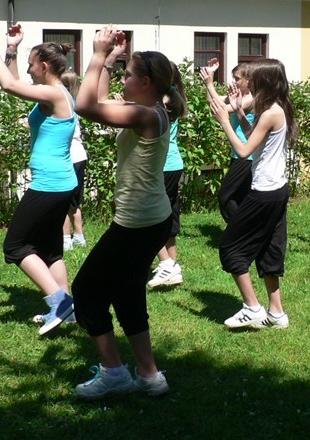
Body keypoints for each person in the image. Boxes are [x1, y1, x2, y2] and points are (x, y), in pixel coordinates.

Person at [72, 26, 186, 399]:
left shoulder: (145, 115)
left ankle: (114, 373)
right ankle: (149, 376)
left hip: (137, 223)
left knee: (86, 292)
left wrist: (96, 54)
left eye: (129, 74)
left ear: (146, 82)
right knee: (127, 293)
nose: (124, 79)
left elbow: (84, 106)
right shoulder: (151, 110)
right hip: (150, 219)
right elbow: (100, 98)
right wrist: (110, 60)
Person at [0, 25, 77, 336]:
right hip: (60, 182)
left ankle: (59, 302)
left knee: (15, 246)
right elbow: (17, 83)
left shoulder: (53, 93)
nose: (27, 69)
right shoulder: (55, 93)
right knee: (50, 249)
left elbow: (8, 85)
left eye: (31, 64)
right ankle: (67, 310)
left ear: (44, 66)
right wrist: (12, 48)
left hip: (49, 185)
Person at [208, 58, 295, 330]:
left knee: (230, 248)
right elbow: (257, 139)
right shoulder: (275, 108)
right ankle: (276, 313)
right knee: (269, 248)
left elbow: (244, 151)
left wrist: (225, 120)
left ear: (264, 82)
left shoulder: (270, 112)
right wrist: (239, 113)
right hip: (276, 190)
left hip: (264, 193)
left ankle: (252, 308)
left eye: (253, 80)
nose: (248, 84)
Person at [148, 62, 189, 288]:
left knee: (150, 217)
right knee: (169, 216)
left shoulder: (159, 101)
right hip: (173, 164)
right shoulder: (174, 98)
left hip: (162, 166)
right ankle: (172, 265)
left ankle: (167, 264)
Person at [199, 59, 255, 224]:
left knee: (225, 195)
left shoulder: (250, 99)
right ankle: (246, 229)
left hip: (246, 156)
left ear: (249, 81)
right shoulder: (238, 97)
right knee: (239, 196)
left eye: (237, 78)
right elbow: (212, 101)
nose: (234, 82)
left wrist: (210, 84)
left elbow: (221, 109)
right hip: (238, 153)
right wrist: (210, 77)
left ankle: (240, 228)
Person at [60, 71, 88, 251]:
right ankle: (79, 236)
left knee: (62, 201)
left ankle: (65, 239)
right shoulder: (76, 104)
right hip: (80, 155)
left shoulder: (62, 103)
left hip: (68, 157)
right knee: (75, 202)